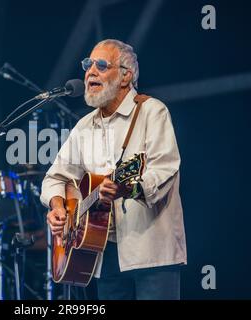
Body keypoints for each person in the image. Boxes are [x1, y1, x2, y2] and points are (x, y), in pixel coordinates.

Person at [41, 39, 187, 300]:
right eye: (87, 65)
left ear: (125, 76)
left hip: (151, 253)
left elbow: (164, 169)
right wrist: (58, 206)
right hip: (103, 255)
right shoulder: (84, 126)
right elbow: (56, 176)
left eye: (100, 65)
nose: (90, 72)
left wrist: (128, 188)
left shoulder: (152, 111)